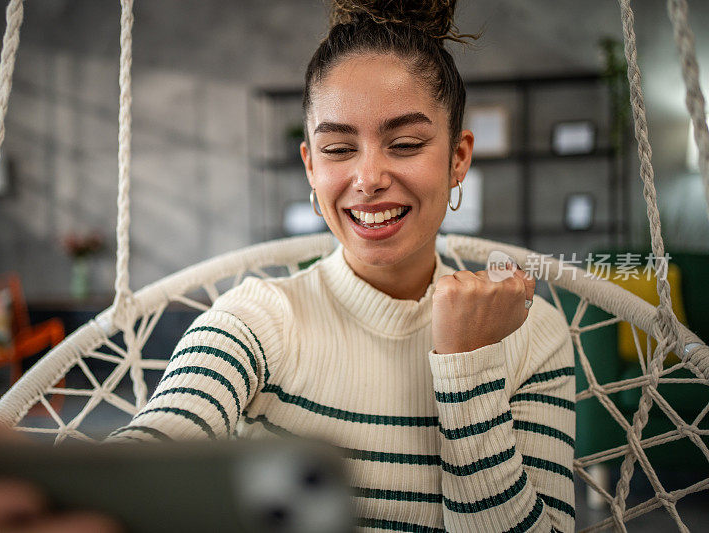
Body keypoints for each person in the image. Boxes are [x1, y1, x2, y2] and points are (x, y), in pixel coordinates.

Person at [106, 1, 576, 532]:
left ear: (458, 158)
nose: (369, 177)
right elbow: (158, 445)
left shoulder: (531, 333)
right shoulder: (258, 318)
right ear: (310, 165)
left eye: (405, 144)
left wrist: (468, 366)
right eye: (337, 148)